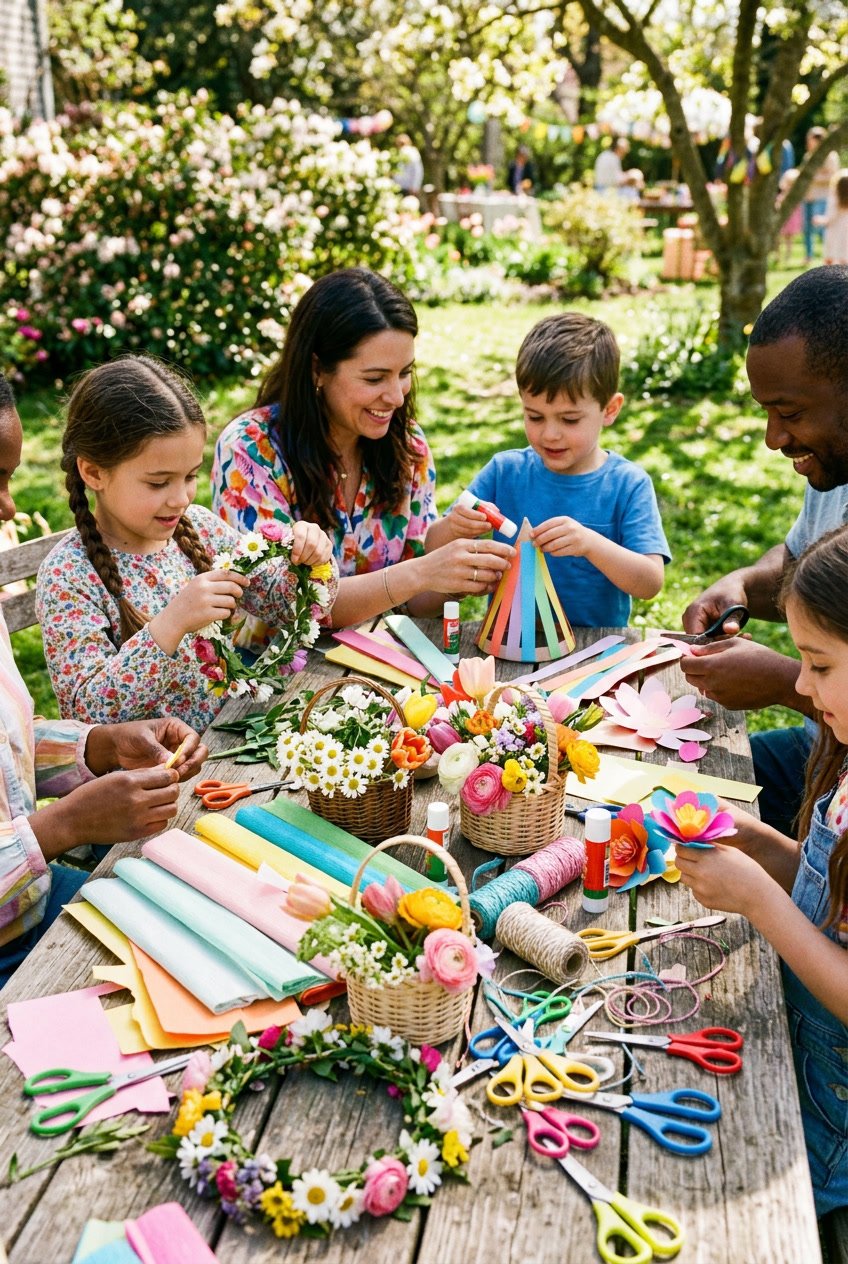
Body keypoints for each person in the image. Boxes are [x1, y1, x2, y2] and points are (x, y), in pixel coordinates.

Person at [0, 375, 207, 988]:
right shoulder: (75, 572)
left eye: (8, 478)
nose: (9, 507)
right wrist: (63, 826)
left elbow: (11, 751)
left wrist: (95, 746)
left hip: (33, 900)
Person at [677, 525, 848, 1218]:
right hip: (800, 1061)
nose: (801, 685)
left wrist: (758, 903)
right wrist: (761, 847)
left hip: (828, 1121)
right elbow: (829, 898)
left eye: (820, 665)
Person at [35, 356, 337, 732]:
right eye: (158, 482)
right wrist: (172, 623)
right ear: (93, 472)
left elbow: (280, 605)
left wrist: (306, 561)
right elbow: (88, 716)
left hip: (221, 745)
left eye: (190, 476)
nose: (181, 498)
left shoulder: (200, 530)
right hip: (144, 779)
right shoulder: (69, 576)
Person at [211, 269, 514, 624]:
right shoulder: (250, 450)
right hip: (274, 671)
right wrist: (421, 573)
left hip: (381, 665)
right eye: (374, 378)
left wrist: (455, 576)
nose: (397, 397)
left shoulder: (407, 445)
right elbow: (290, 606)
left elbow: (413, 603)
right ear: (317, 370)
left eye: (404, 373)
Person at [681, 266, 848, 837]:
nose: (774, 438)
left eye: (791, 413)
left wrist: (783, 683)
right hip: (820, 749)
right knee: (678, 794)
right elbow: (806, 564)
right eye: (767, 413)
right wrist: (747, 585)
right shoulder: (835, 465)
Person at [427, 313, 669, 627]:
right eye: (535, 417)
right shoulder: (505, 471)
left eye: (569, 420)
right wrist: (455, 526)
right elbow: (432, 546)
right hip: (508, 646)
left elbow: (650, 582)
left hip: (593, 652)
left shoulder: (628, 484)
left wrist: (590, 544)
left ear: (609, 410)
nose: (549, 434)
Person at [802, 127, 841, 266]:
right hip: (808, 197)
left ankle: (830, 255)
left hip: (822, 197)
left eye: (811, 140)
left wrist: (813, 177)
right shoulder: (808, 156)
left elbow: (834, 175)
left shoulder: (830, 156)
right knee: (807, 229)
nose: (808, 143)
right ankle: (808, 255)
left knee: (821, 228)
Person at [777, 168, 803, 266]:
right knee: (779, 239)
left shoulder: (796, 197)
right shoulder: (782, 195)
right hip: (783, 220)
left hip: (790, 221)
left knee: (788, 239)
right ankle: (779, 256)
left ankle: (787, 257)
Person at [821, 170, 848, 265]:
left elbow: (831, 218)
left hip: (834, 231)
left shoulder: (834, 200)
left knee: (832, 255)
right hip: (845, 232)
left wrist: (820, 220)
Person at [394, 134, 423, 200]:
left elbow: (417, 171)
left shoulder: (413, 153)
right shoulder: (399, 153)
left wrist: (415, 186)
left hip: (408, 188)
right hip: (399, 186)